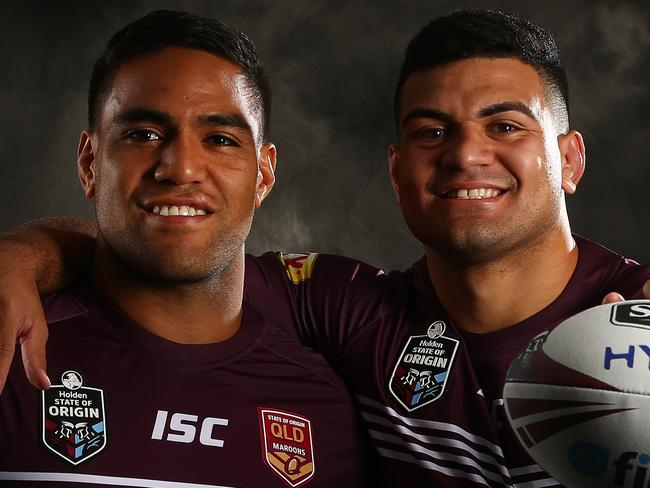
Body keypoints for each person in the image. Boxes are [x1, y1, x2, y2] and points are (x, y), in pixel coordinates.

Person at [0, 8, 647, 488]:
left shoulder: (639, 319)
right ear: (397, 170)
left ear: (569, 158)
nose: (466, 154)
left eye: (504, 125)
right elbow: (175, 241)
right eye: (432, 132)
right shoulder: (344, 308)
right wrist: (21, 255)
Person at [0, 10, 370, 487]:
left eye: (219, 139)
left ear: (264, 174)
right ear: (90, 163)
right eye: (144, 135)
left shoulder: (331, 410)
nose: (180, 168)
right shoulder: (13, 348)